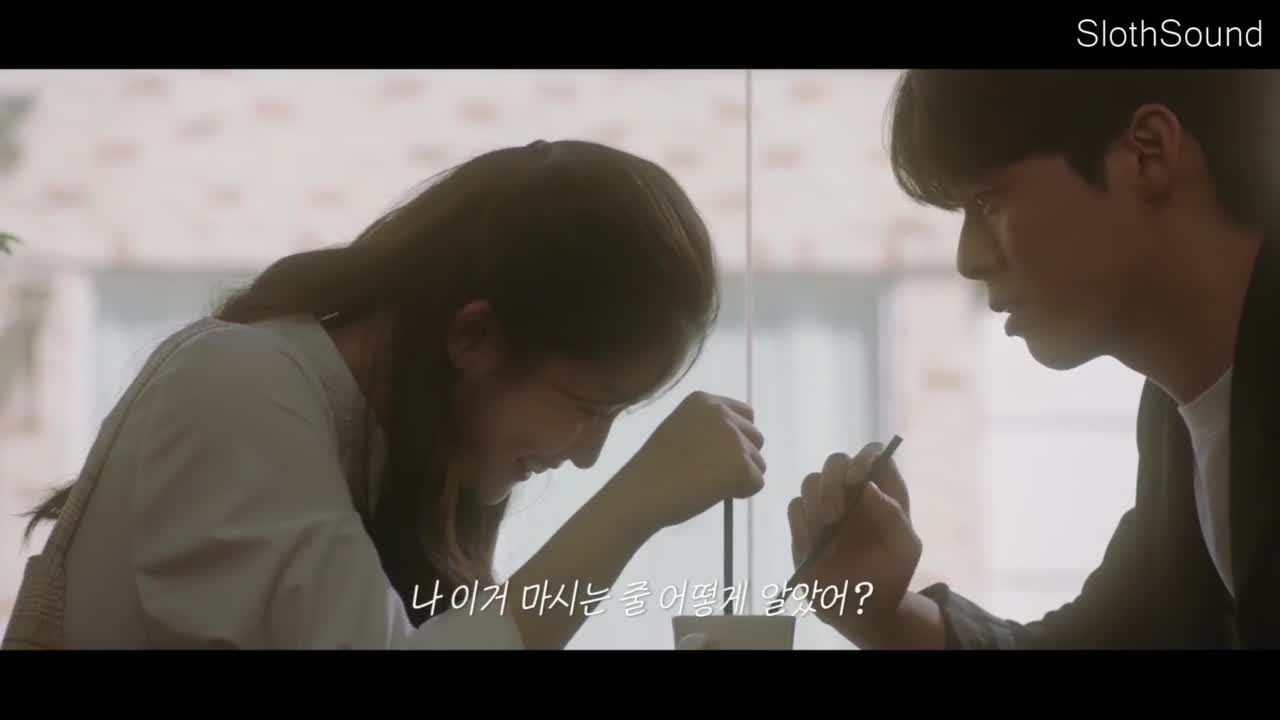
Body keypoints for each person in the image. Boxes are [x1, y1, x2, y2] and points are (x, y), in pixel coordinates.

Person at [2, 139, 767, 650]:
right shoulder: (235, 387)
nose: (590, 455)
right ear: (473, 336)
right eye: (587, 406)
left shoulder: (396, 465)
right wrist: (636, 504)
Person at [786, 69, 1280, 649]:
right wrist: (883, 616)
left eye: (988, 201)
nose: (968, 260)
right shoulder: (1178, 411)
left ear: (1147, 153)